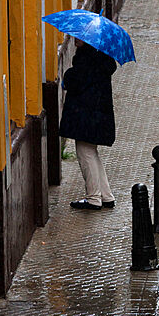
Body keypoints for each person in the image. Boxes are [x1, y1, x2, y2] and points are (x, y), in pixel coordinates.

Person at [59, 38, 117, 211]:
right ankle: (106, 196)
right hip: (97, 113)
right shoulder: (100, 57)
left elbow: (75, 81)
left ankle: (93, 198)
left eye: (80, 36)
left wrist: (68, 75)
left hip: (87, 115)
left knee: (85, 152)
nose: (75, 38)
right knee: (91, 152)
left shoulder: (87, 59)